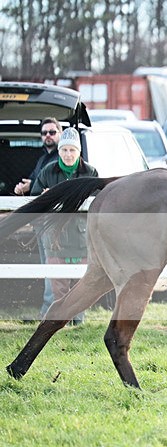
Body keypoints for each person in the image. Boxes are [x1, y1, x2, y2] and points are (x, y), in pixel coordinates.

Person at [30, 127, 98, 324]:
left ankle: (78, 322)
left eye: (72, 150)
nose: (68, 154)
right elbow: (34, 201)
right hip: (55, 237)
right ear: (59, 151)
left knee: (81, 285)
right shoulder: (47, 171)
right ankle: (61, 323)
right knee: (57, 285)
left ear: (79, 152)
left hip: (82, 236)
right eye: (64, 150)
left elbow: (99, 202)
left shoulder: (90, 172)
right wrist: (46, 199)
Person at [14, 118, 63, 319]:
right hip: (41, 221)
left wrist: (31, 185)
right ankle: (48, 309)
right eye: (44, 133)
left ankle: (50, 311)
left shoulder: (61, 158)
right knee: (47, 265)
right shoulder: (43, 158)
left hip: (58, 223)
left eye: (52, 132)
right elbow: (37, 182)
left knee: (54, 266)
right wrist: (26, 186)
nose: (48, 136)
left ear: (60, 133)